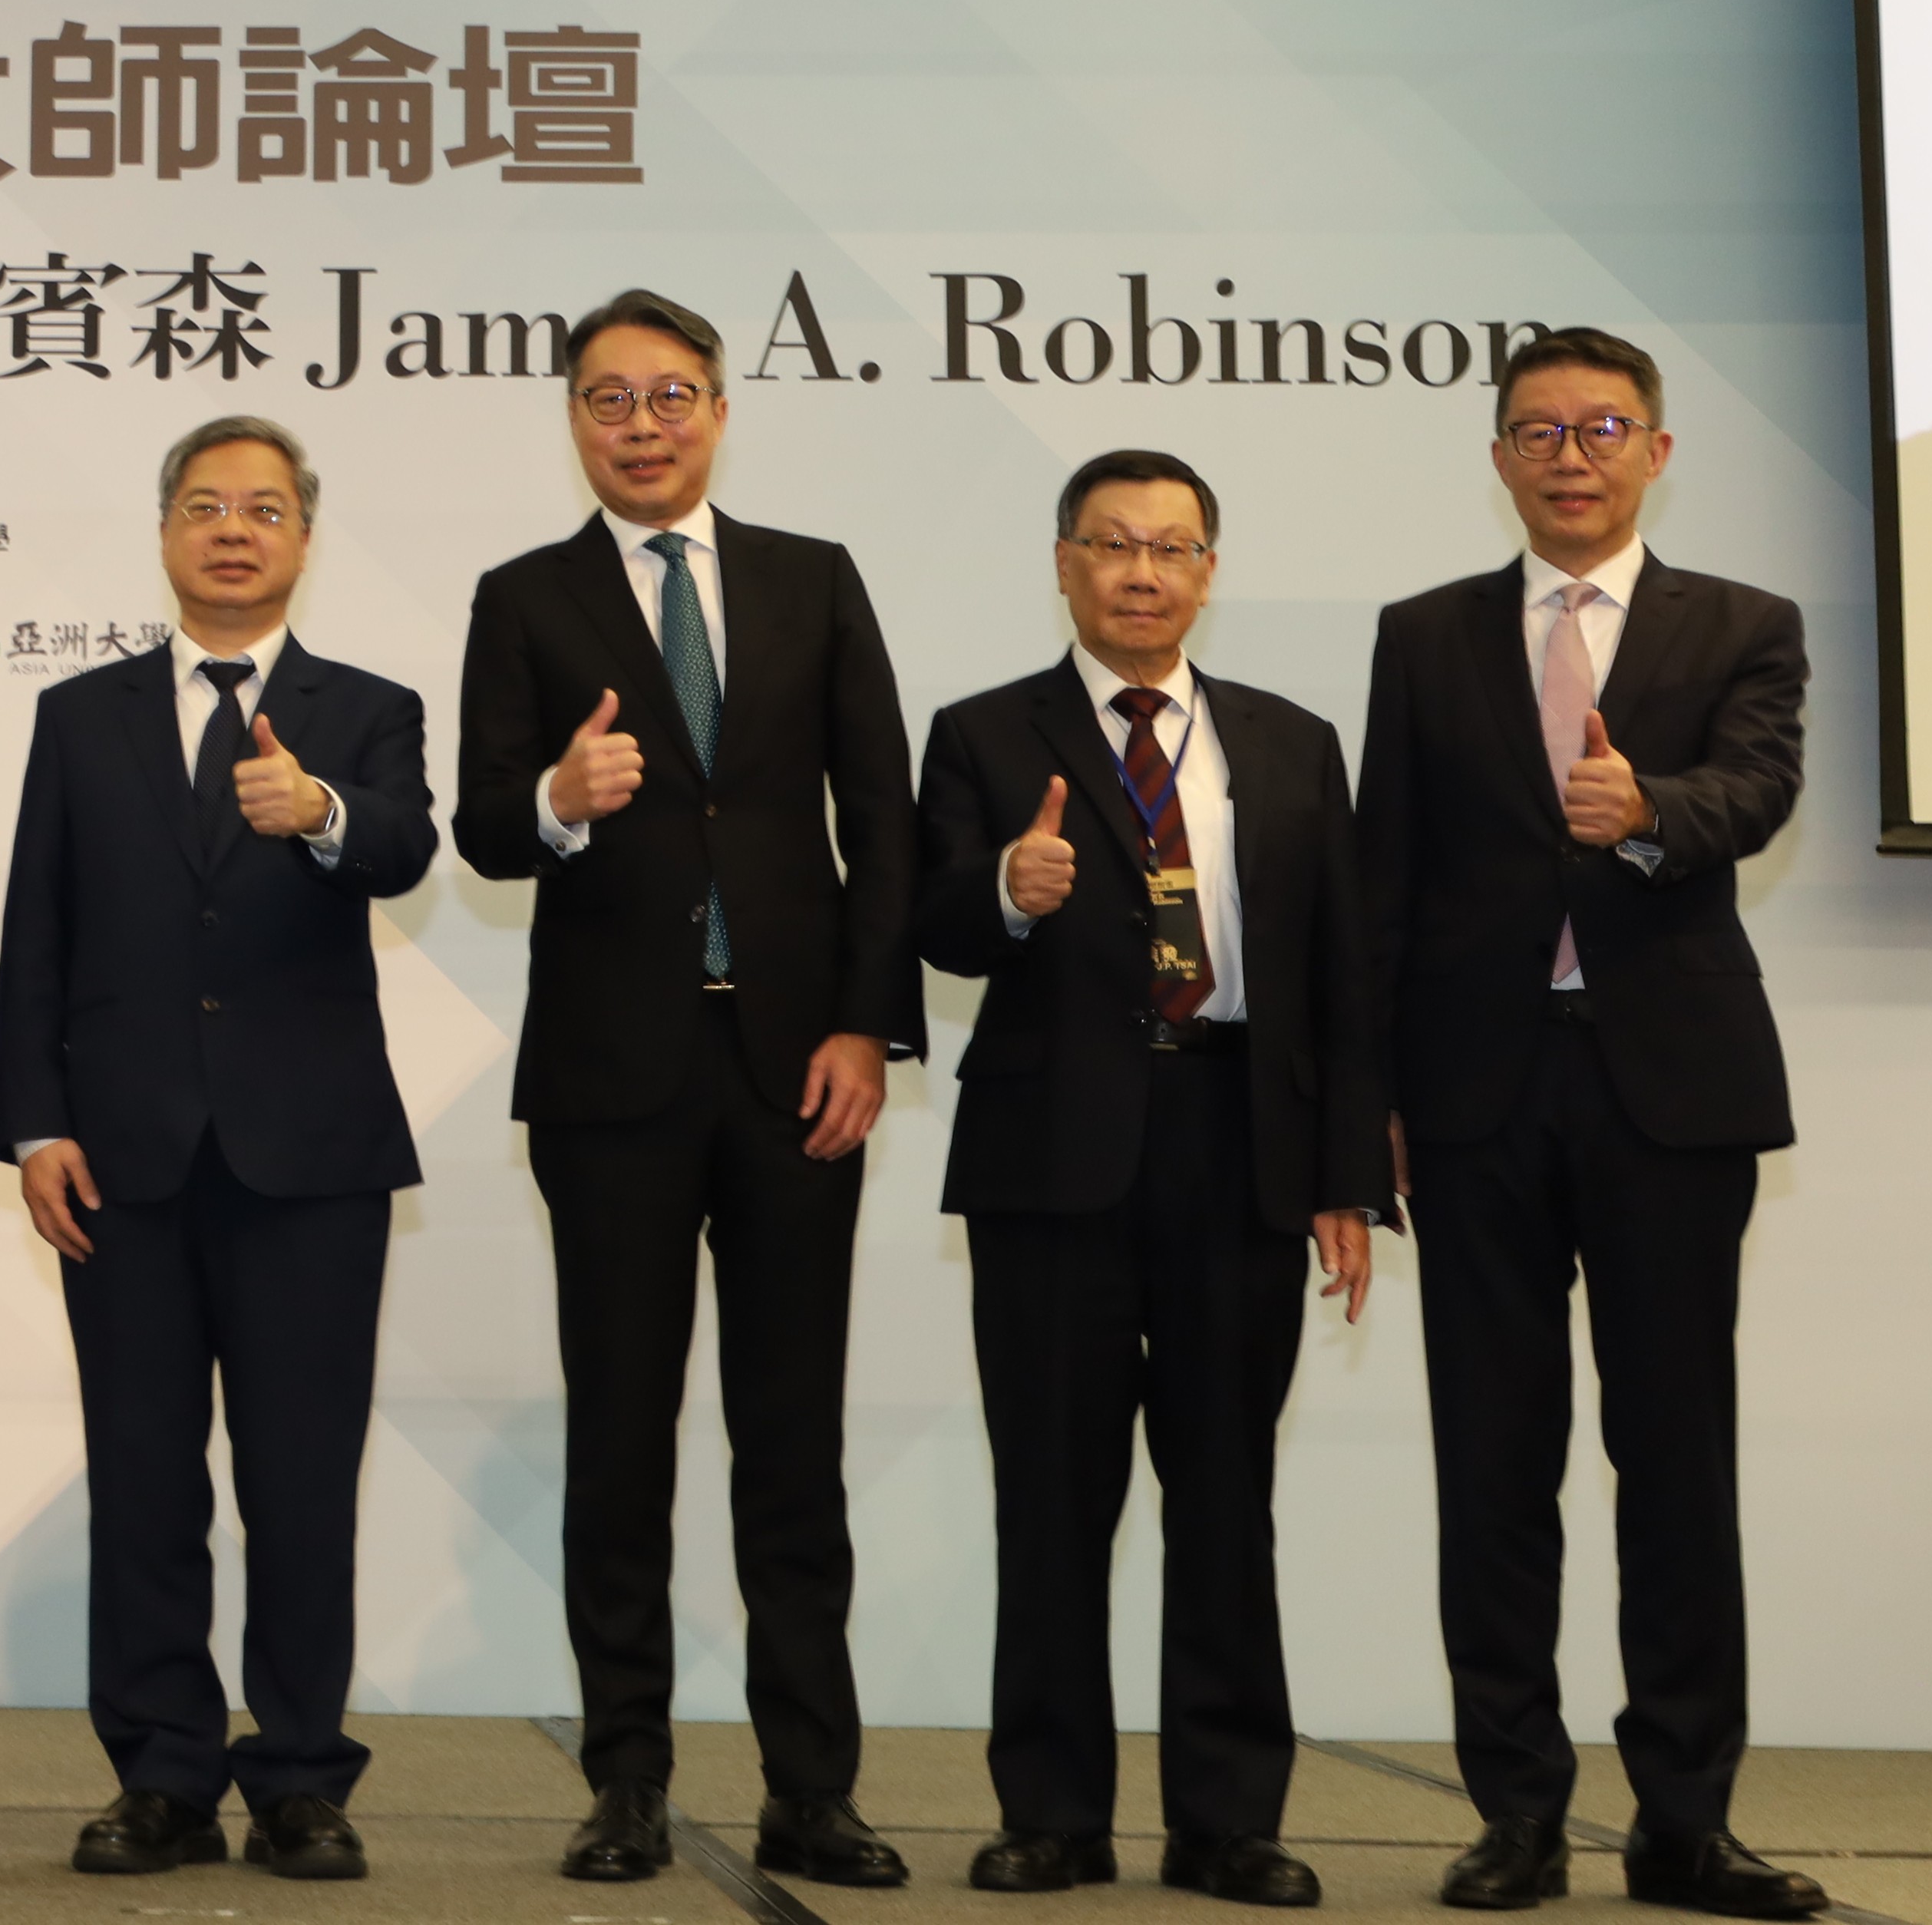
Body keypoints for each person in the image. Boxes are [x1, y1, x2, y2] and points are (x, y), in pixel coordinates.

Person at [447, 288, 919, 1893]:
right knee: (622, 1441)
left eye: (669, 395)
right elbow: (484, 833)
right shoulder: (523, 597)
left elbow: (889, 824)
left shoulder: (813, 580)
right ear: (573, 420)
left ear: (719, 408)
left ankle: (814, 1790)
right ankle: (626, 1781)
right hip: (612, 1081)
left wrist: (869, 1029)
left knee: (793, 1445)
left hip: (800, 1076)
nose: (640, 424)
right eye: (606, 399)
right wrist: (557, 799)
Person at [1359, 330, 1818, 1919]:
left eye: (1602, 426)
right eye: (1537, 430)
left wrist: (1653, 817)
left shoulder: (1744, 625)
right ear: (1498, 458)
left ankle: (1686, 1820)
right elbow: (1384, 884)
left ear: (1658, 450)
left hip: (1668, 1095)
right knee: (1495, 1465)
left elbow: (1756, 789)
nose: (1570, 453)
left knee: (1675, 1462)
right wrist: (1378, 1110)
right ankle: (1518, 1817)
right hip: (1477, 1095)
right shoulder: (1422, 639)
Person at [913, 452, 1389, 1906]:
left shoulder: (1292, 741)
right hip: (1052, 1156)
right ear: (1063, 562)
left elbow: (1339, 970)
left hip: (1241, 1143)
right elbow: (931, 923)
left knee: (1227, 1494)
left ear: (1207, 571)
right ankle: (1051, 1815)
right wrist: (1008, 890)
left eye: (1171, 548)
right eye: (1112, 545)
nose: (1141, 572)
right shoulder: (986, 733)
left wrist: (1346, 1173)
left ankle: (1228, 1819)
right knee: (1051, 1498)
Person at [0, 418, 434, 1887]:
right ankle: (164, 1776)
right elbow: (35, 934)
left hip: (311, 1160)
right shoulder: (81, 712)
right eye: (203, 507)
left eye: (261, 509)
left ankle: (302, 1777)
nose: (231, 530)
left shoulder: (363, 709)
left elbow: (403, 847)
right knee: (143, 1477)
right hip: (122, 1157)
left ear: (304, 537)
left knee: (303, 1482)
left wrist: (318, 812)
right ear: (166, 532)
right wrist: (35, 1123)